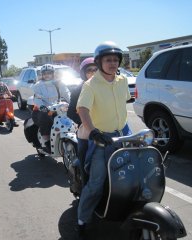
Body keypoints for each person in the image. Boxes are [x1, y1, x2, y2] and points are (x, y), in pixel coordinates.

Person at [76, 41, 131, 238]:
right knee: (96, 183)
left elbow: (122, 108)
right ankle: (83, 219)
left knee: (131, 174)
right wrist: (93, 132)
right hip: (101, 139)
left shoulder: (122, 80)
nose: (113, 63)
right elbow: (82, 109)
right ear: (99, 62)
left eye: (116, 60)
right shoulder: (90, 85)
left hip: (122, 135)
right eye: (108, 60)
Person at [67, 57, 97, 177]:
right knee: (85, 163)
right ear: (83, 73)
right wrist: (85, 123)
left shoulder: (105, 87)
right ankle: (85, 191)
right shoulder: (78, 90)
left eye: (96, 69)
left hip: (107, 131)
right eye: (90, 70)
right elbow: (71, 113)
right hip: (86, 133)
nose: (93, 73)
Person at [32, 64, 70, 153]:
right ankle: (46, 142)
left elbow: (66, 93)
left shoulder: (59, 83)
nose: (47, 75)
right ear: (42, 74)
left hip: (59, 108)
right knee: (45, 117)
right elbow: (37, 98)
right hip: (44, 110)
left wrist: (69, 102)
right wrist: (42, 107)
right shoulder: (38, 85)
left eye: (49, 73)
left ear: (53, 74)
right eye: (44, 73)